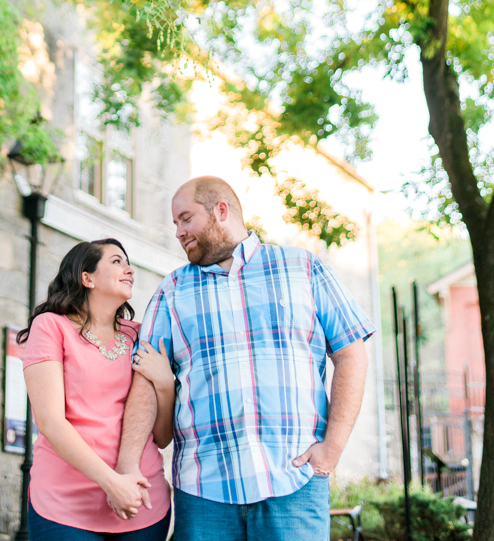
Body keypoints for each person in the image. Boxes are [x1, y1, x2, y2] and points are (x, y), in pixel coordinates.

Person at [114, 177, 375, 541]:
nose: (178, 232)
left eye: (185, 218)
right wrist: (126, 466)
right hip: (203, 492)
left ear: (221, 210)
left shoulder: (301, 268)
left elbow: (351, 353)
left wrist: (333, 448)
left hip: (294, 483)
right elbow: (143, 377)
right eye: (175, 223)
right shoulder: (171, 290)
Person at [18, 238, 174, 541]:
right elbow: (50, 421)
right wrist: (112, 483)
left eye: (128, 263)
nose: (129, 269)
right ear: (86, 277)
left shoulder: (141, 334)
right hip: (64, 507)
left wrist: (165, 385)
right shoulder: (51, 327)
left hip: (141, 502)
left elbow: (163, 437)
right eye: (117, 261)